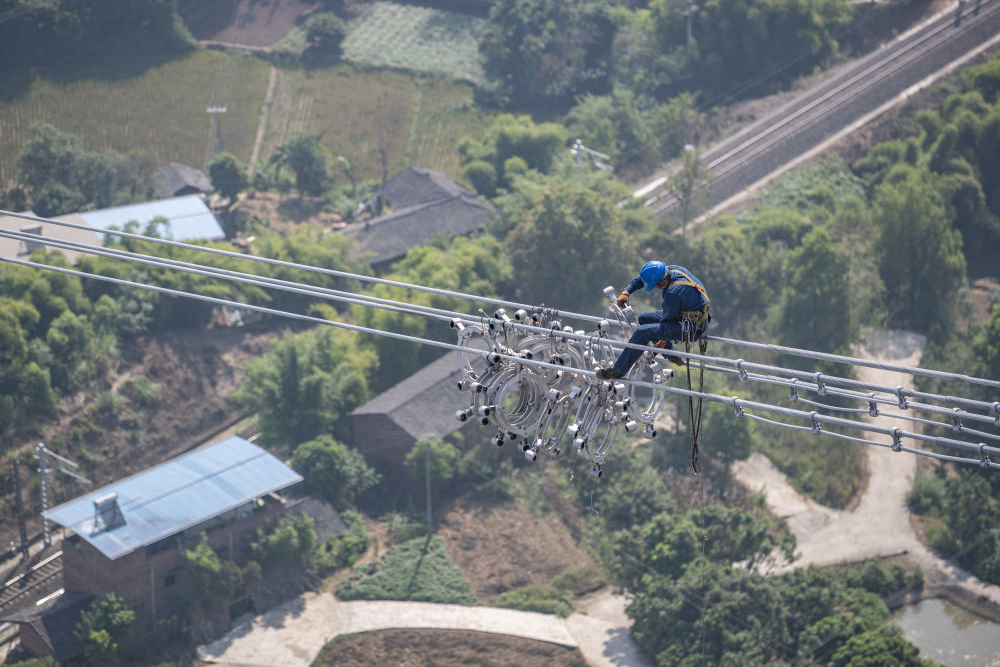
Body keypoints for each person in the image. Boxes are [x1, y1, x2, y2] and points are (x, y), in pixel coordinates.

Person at [596, 260, 710, 380]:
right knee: (644, 318)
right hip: (683, 315)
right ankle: (671, 354)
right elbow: (642, 279)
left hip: (691, 327)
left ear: (663, 282)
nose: (655, 288)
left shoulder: (673, 293)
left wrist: (662, 342)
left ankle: (618, 370)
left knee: (642, 332)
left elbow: (667, 321)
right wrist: (627, 292)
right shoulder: (672, 270)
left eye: (656, 285)